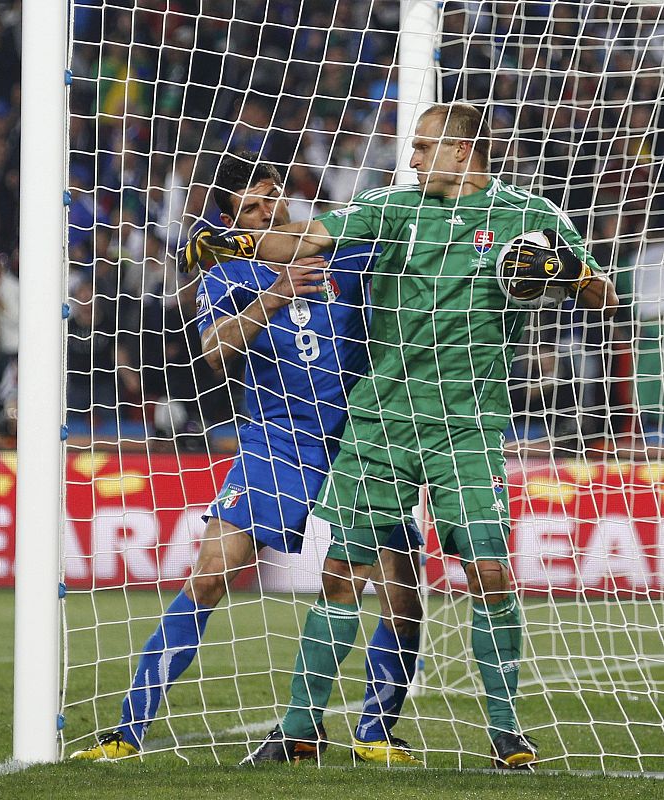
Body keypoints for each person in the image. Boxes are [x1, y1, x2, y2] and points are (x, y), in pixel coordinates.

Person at [184, 104, 619, 769]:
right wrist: (233, 244)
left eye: (421, 146)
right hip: (379, 422)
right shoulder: (391, 207)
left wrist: (566, 273)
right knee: (341, 577)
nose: (410, 158)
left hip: (466, 429)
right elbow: (303, 240)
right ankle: (299, 730)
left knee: (490, 574)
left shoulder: (531, 215)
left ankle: (506, 735)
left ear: (460, 149)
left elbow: (604, 297)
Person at [71, 152, 424, 764]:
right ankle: (127, 731)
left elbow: (404, 254)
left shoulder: (344, 250)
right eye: (253, 208)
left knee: (402, 590)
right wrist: (276, 295)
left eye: (272, 197)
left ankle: (376, 733)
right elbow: (213, 352)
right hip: (274, 443)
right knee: (209, 577)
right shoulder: (229, 277)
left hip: (357, 439)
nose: (268, 210)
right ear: (234, 224)